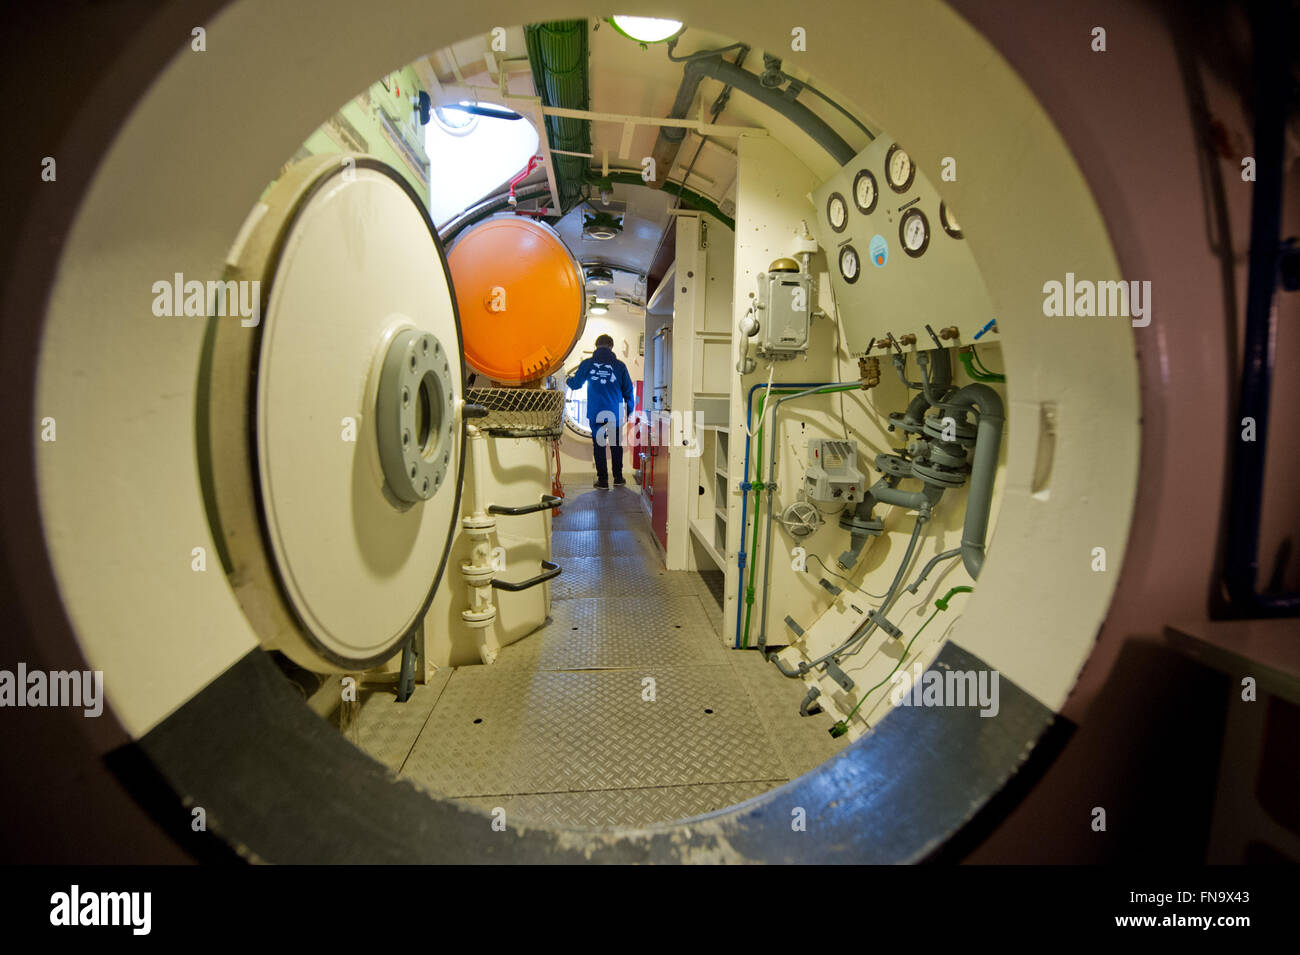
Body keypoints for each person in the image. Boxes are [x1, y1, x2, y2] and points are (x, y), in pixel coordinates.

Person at [566, 334, 635, 489]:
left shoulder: (587, 364)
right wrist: (630, 411)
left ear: (596, 346)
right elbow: (628, 391)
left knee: (599, 445)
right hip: (614, 413)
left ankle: (602, 480)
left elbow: (576, 385)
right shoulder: (620, 366)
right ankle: (618, 478)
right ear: (611, 347)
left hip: (596, 412)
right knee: (616, 445)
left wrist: (567, 380)